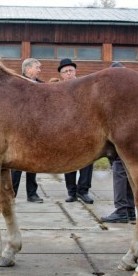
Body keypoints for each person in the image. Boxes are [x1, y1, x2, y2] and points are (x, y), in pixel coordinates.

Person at [100, 62, 136, 223]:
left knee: (120, 170)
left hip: (124, 141)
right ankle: (130, 210)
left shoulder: (120, 95)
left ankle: (122, 209)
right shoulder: (130, 94)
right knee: (129, 173)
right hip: (131, 140)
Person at [57, 58, 94, 204]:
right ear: (61, 74)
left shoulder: (84, 86)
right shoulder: (58, 88)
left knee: (87, 161)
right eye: (65, 71)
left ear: (75, 71)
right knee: (68, 161)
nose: (68, 73)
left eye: (70, 70)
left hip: (84, 129)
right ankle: (71, 192)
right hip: (65, 131)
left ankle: (83, 191)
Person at [11, 58, 43, 203]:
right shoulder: (16, 84)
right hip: (19, 129)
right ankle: (12, 194)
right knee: (16, 164)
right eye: (37, 67)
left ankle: (32, 193)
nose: (39, 70)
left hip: (36, 129)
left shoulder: (42, 86)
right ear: (27, 69)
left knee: (33, 162)